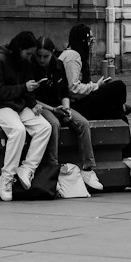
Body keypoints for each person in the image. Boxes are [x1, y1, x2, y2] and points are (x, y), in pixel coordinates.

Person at [0, 30, 54, 202]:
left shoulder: (25, 62)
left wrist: (33, 104)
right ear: (19, 48)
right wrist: (24, 89)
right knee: (18, 130)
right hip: (0, 105)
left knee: (44, 127)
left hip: (19, 104)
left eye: (31, 54)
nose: (30, 57)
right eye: (28, 53)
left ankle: (27, 168)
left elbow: (28, 86)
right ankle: (6, 177)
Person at [31, 36, 103, 191]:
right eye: (39, 56)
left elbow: (65, 91)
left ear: (52, 53)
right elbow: (31, 99)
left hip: (58, 104)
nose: (42, 60)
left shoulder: (58, 65)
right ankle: (53, 168)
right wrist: (53, 110)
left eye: (46, 56)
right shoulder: (31, 67)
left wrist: (67, 109)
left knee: (82, 123)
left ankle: (87, 168)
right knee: (54, 124)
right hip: (41, 106)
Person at [60, 23, 131, 122]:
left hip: (79, 101)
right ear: (83, 41)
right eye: (91, 40)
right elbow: (73, 88)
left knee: (120, 116)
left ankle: (119, 108)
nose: (92, 44)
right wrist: (95, 86)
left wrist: (95, 85)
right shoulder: (73, 56)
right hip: (76, 105)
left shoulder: (72, 54)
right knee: (119, 86)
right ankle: (120, 107)